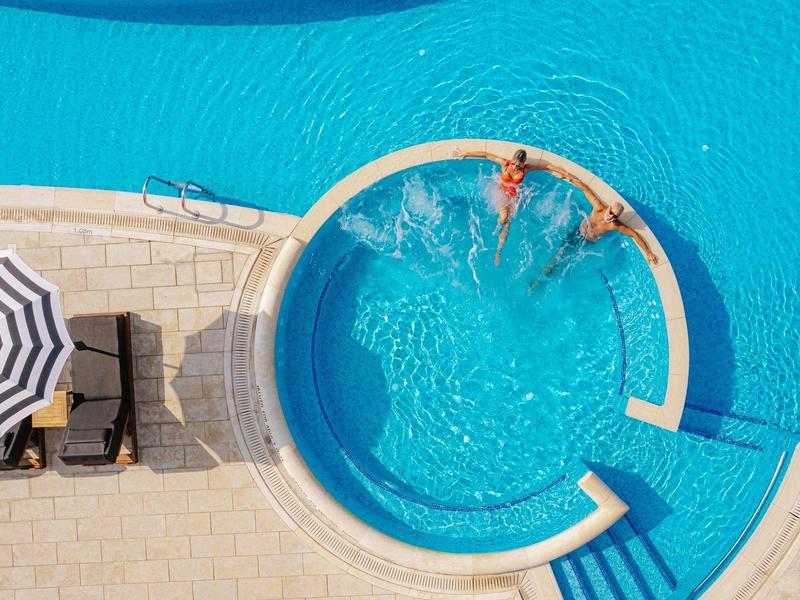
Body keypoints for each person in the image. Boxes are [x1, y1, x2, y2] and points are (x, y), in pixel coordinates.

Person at [528, 175, 658, 290]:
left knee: (567, 261)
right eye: (612, 213)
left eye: (615, 216)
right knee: (559, 254)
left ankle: (551, 279)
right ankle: (539, 278)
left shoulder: (614, 225)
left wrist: (648, 252)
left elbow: (634, 234)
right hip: (577, 233)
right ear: (610, 208)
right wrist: (569, 177)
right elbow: (585, 189)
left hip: (587, 243)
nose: (612, 216)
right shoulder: (599, 208)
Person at [453, 148, 573, 265]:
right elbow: (486, 155)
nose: (515, 167)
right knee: (504, 217)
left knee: (508, 224)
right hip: (499, 193)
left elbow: (547, 166)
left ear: (523, 164)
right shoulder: (505, 164)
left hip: (513, 197)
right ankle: (496, 227)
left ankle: (498, 252)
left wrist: (566, 174)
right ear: (512, 160)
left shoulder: (526, 169)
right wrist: (466, 153)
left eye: (519, 166)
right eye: (514, 164)